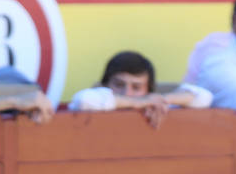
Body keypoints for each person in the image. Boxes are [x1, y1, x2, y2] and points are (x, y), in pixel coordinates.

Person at [68, 51, 212, 127]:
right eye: (119, 85)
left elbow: (205, 97)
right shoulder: (97, 100)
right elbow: (83, 100)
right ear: (106, 85)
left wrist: (160, 100)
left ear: (149, 91)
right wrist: (137, 102)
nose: (127, 93)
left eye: (136, 87)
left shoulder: (151, 103)